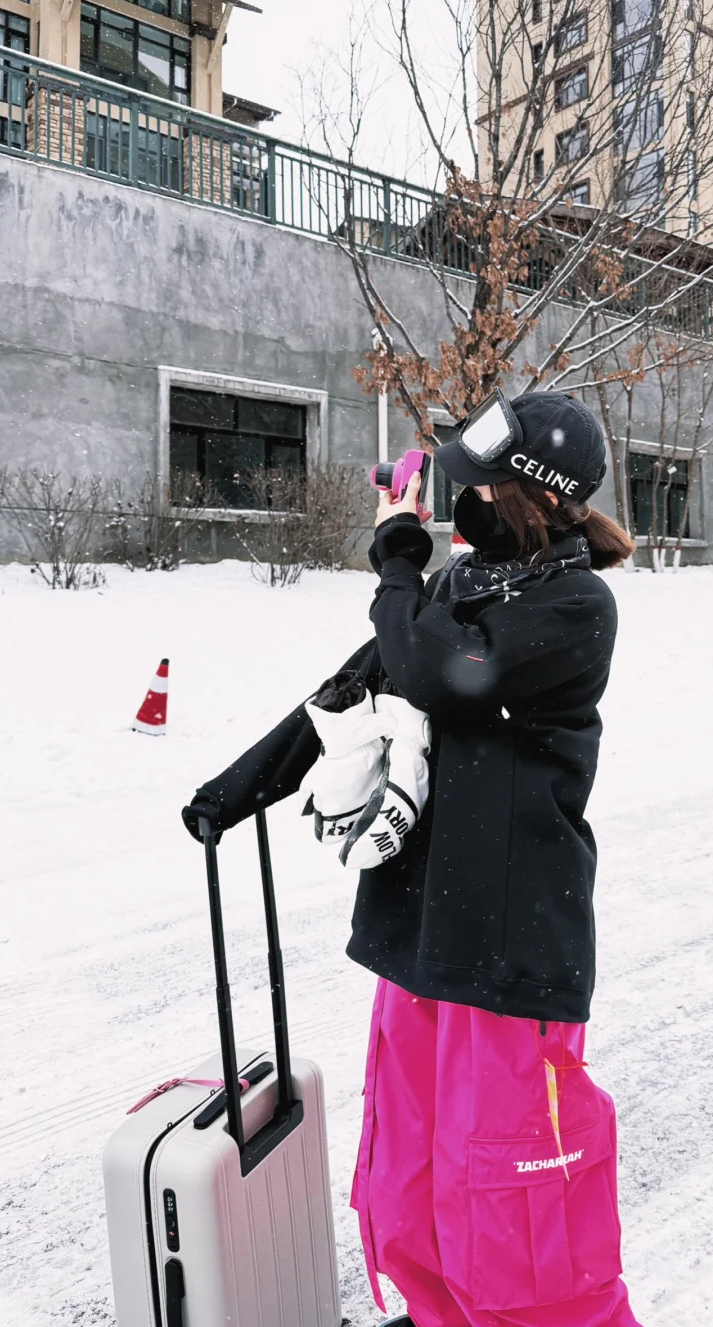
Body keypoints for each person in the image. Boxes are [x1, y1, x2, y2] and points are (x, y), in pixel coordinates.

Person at [183, 390, 641, 1327]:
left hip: (512, 951)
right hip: (420, 935)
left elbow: (445, 673)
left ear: (526, 495)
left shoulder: (576, 604)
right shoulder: (453, 592)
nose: (457, 504)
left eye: (475, 487)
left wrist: (395, 565)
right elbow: (352, 687)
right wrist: (238, 789)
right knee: (413, 1178)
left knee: (516, 1210)